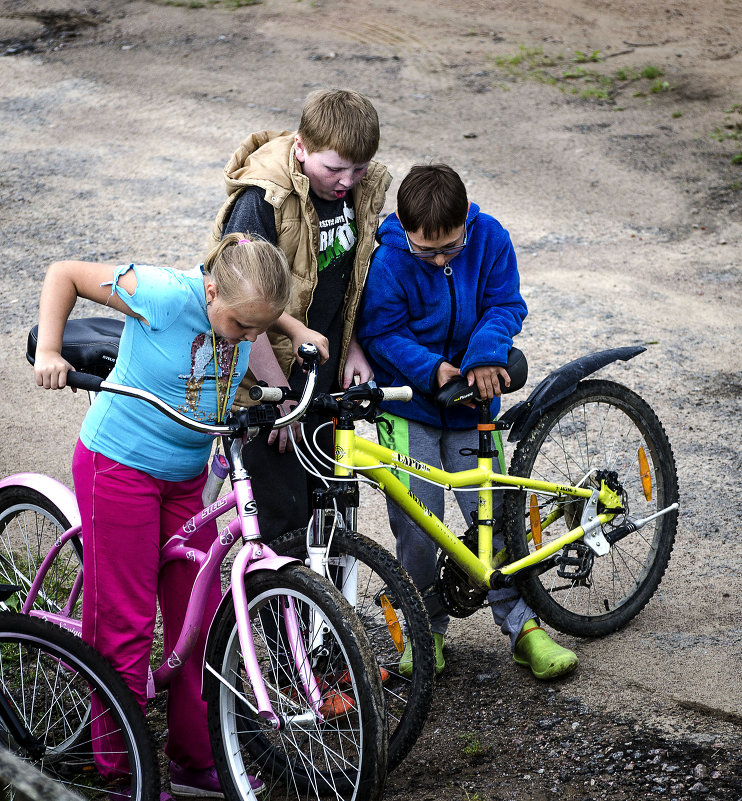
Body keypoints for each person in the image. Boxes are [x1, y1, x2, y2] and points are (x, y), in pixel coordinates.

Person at [33, 233, 292, 799]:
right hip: (119, 467)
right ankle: (122, 769)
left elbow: (267, 316)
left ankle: (194, 758)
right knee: (127, 623)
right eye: (241, 326)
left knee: (195, 618)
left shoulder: (247, 306)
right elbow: (65, 273)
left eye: (259, 328)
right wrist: (49, 350)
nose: (249, 339)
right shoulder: (162, 293)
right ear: (212, 287)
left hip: (186, 475)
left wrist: (294, 331)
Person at [357, 164, 578, 681]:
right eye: (425, 250)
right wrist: (433, 370)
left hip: (474, 408)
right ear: (404, 229)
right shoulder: (390, 259)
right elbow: (381, 333)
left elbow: (505, 303)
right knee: (418, 525)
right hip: (409, 408)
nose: (437, 259)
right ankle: (426, 630)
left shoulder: (491, 238)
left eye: (450, 248)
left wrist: (482, 356)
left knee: (495, 514)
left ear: (466, 222)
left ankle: (524, 627)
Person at [210, 88, 391, 544]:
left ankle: (321, 615)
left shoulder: (356, 193)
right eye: (334, 168)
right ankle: (270, 614)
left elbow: (346, 281)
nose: (348, 180)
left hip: (321, 381)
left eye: (359, 168)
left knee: (329, 509)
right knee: (282, 519)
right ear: (301, 147)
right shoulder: (262, 202)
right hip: (266, 386)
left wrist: (352, 345)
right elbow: (242, 310)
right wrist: (280, 397)